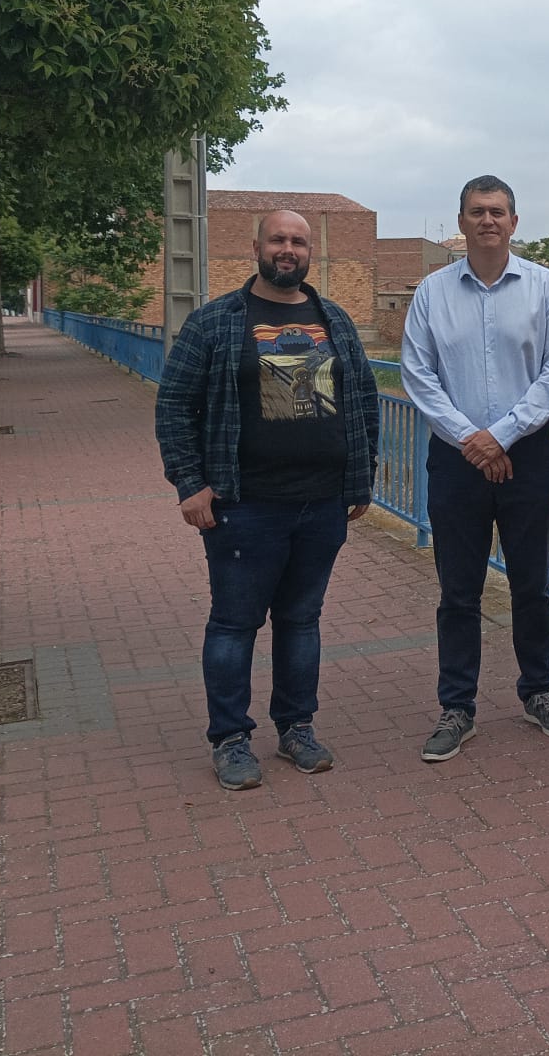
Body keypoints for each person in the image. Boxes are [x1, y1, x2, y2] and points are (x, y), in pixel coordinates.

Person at [155, 209, 380, 791]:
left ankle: (296, 729)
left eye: (299, 242)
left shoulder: (334, 320)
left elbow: (363, 400)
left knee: (302, 621)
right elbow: (174, 405)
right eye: (278, 239)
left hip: (322, 503)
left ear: (310, 253)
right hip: (244, 504)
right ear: (256, 246)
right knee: (234, 624)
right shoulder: (215, 323)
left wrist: (359, 480)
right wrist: (189, 484)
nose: (288, 249)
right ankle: (230, 739)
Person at [401, 175, 549, 762]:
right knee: (458, 590)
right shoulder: (431, 292)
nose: (488, 221)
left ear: (514, 222)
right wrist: (470, 439)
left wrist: (499, 436)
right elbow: (417, 374)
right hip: (455, 460)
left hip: (526, 455)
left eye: (498, 211)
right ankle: (457, 706)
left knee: (531, 582)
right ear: (461, 222)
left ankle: (539, 691)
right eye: (477, 211)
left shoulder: (546, 288)